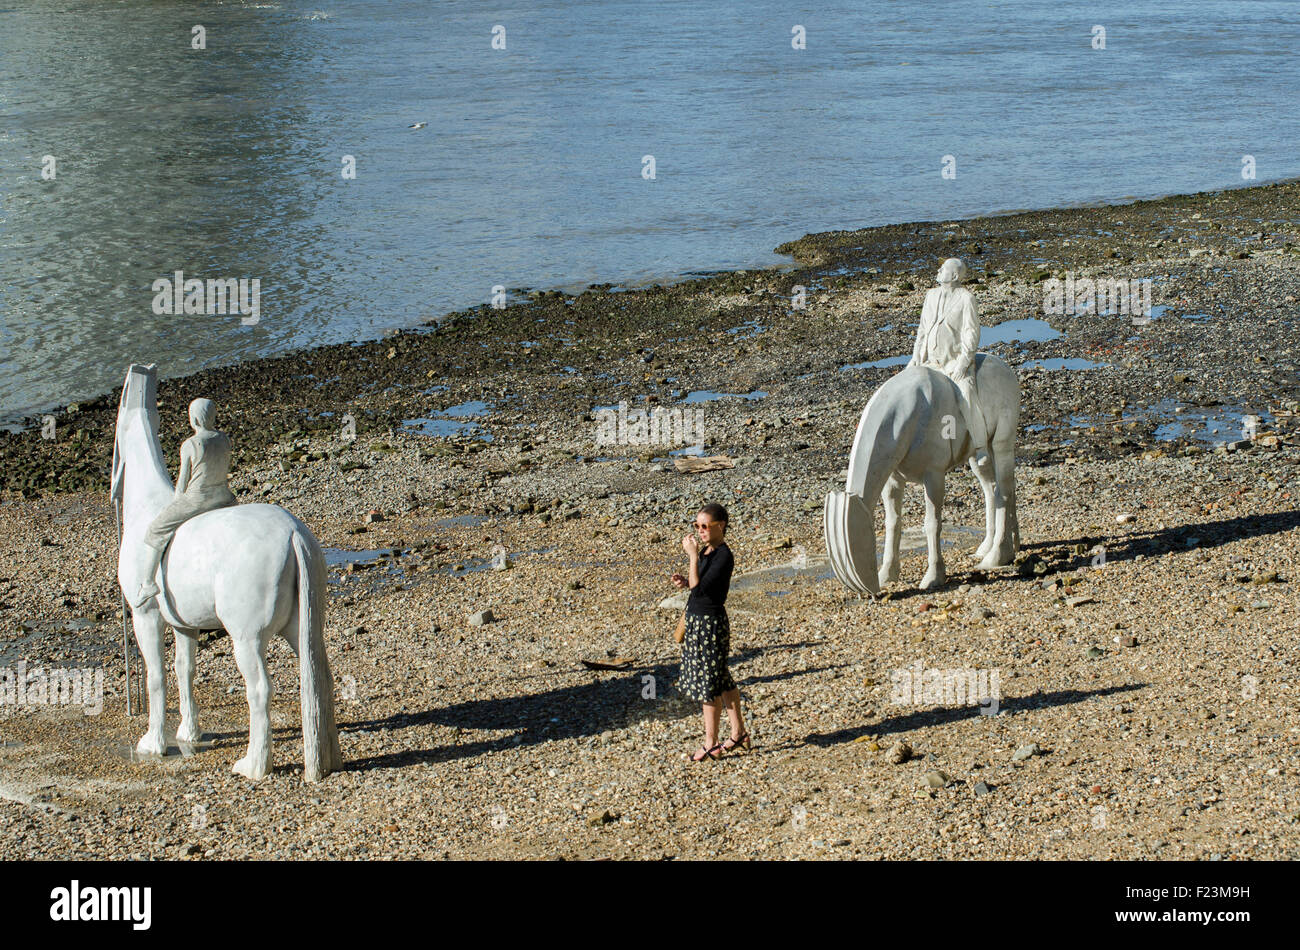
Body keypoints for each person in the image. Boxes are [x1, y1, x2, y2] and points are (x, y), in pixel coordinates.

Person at [131, 398, 237, 607]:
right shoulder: (224, 438)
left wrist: (175, 503)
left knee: (156, 529)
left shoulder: (190, 444)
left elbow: (181, 485)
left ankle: (148, 582)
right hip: (225, 496)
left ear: (194, 419)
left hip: (198, 499)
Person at [670, 502, 749, 762]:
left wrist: (692, 557)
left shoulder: (724, 555)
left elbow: (701, 590)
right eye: (697, 526)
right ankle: (738, 734)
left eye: (705, 526)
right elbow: (697, 586)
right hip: (697, 620)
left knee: (709, 685)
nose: (700, 530)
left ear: (720, 526)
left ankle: (710, 742)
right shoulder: (707, 551)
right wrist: (686, 580)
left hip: (710, 625)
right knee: (722, 679)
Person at [909, 257, 988, 463]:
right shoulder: (930, 295)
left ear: (953, 276)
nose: (938, 271)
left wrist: (963, 364)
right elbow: (923, 330)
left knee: (967, 393)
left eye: (943, 269)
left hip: (953, 362)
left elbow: (971, 333)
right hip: (929, 360)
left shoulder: (966, 298)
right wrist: (916, 357)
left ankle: (980, 446)